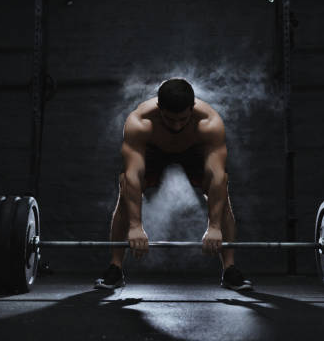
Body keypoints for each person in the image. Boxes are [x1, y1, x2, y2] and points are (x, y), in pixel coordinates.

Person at [94, 78, 252, 291]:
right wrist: (135, 227)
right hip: (154, 150)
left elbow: (217, 176)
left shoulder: (209, 124)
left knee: (221, 188)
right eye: (169, 119)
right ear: (159, 109)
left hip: (194, 150)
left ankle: (230, 269)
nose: (176, 125)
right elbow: (133, 174)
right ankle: (115, 267)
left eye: (183, 119)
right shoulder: (140, 123)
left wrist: (214, 227)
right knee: (126, 186)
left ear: (193, 108)